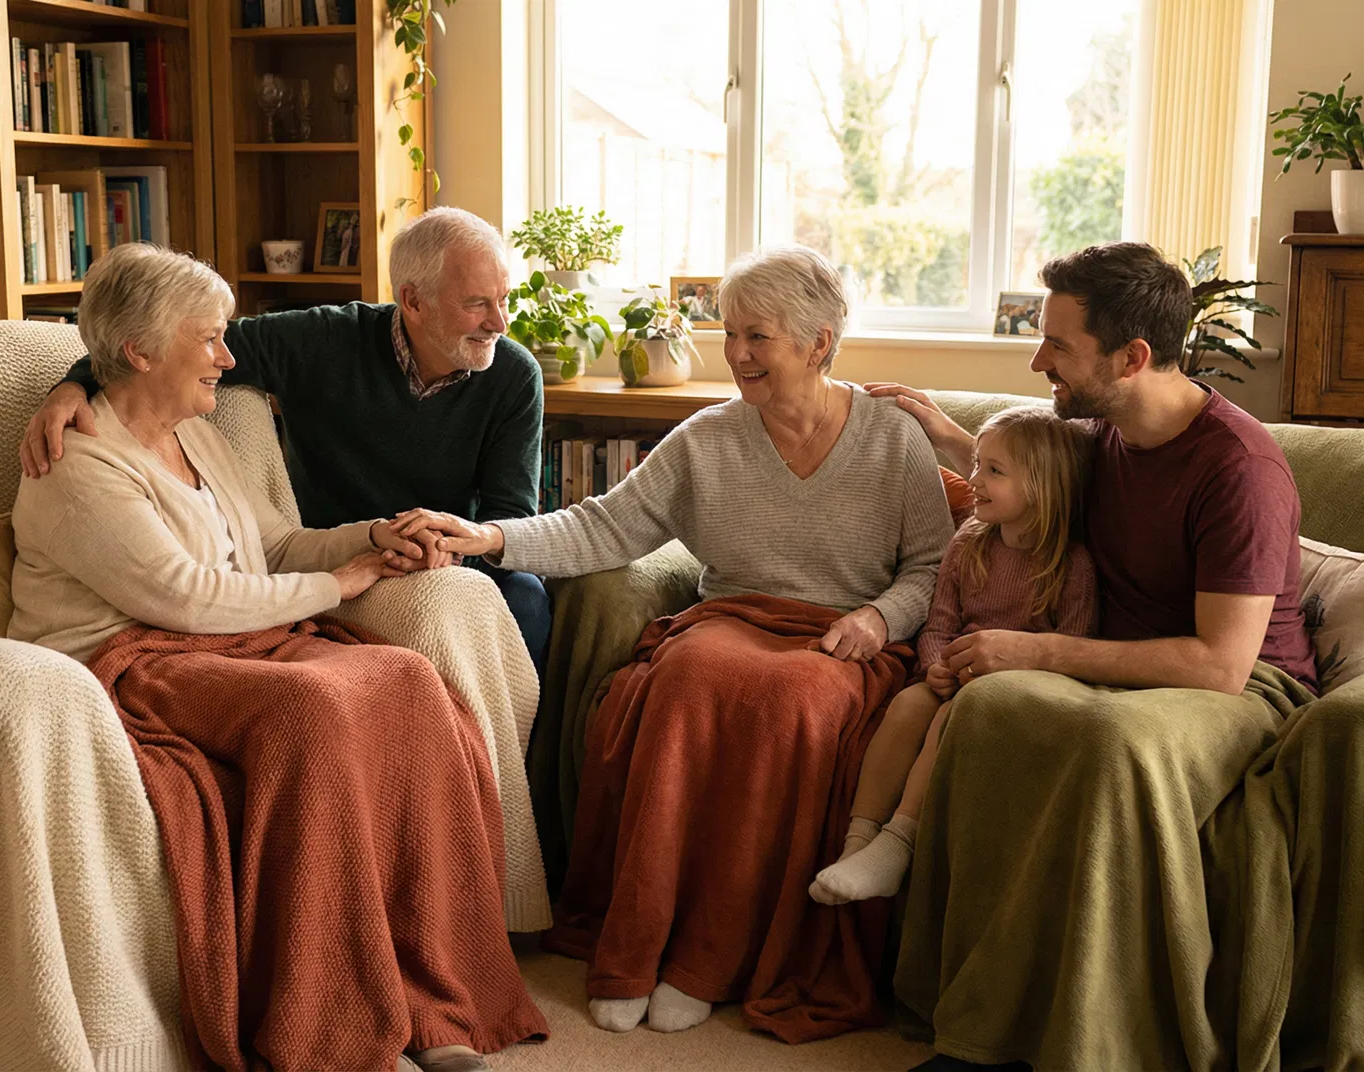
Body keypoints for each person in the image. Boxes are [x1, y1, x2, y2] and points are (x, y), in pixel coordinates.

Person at [391, 245, 954, 1042]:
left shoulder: (894, 439)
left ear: (819, 342)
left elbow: (935, 566)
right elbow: (602, 525)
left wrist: (879, 618)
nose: (736, 354)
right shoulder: (707, 438)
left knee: (793, 700)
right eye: (730, 334)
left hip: (843, 639)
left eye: (757, 337)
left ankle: (706, 960)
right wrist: (487, 537)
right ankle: (639, 949)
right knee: (682, 679)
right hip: (729, 620)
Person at [7, 243, 546, 1072]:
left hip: (233, 639)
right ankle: (334, 1026)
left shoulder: (199, 435)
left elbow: (274, 544)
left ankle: (429, 1000)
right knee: (314, 710)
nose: (230, 355)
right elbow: (183, 597)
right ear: (142, 351)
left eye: (228, 337)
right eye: (212, 338)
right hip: (136, 659)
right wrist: (342, 584)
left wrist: (373, 537)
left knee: (408, 680)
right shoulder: (76, 463)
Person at [870, 241, 1317, 1070]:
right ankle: (982, 1019)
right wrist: (943, 429)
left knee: (1107, 747)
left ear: (1133, 357)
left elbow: (1222, 665)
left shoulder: (1238, 469)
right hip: (1120, 660)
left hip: (1247, 691)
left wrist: (1038, 650)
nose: (1038, 359)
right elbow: (1023, 479)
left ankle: (1088, 1043)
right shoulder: (1102, 432)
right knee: (990, 708)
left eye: (1059, 347)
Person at [19, 207, 554, 671]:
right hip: (324, 562)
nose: (499, 323)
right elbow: (149, 353)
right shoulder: (321, 339)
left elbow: (511, 521)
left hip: (439, 553)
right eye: (478, 304)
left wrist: (437, 548)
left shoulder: (512, 376)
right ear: (413, 301)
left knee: (525, 596)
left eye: (503, 300)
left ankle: (514, 781)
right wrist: (72, 385)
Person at [807, 406, 1097, 905]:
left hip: (1016, 687)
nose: (973, 478)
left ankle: (896, 845)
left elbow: (1073, 651)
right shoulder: (968, 545)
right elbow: (939, 623)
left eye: (994, 471)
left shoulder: (1071, 564)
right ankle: (857, 841)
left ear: (1043, 486)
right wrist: (935, 667)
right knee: (908, 706)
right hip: (952, 674)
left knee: (952, 718)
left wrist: (1002, 676)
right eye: (978, 463)